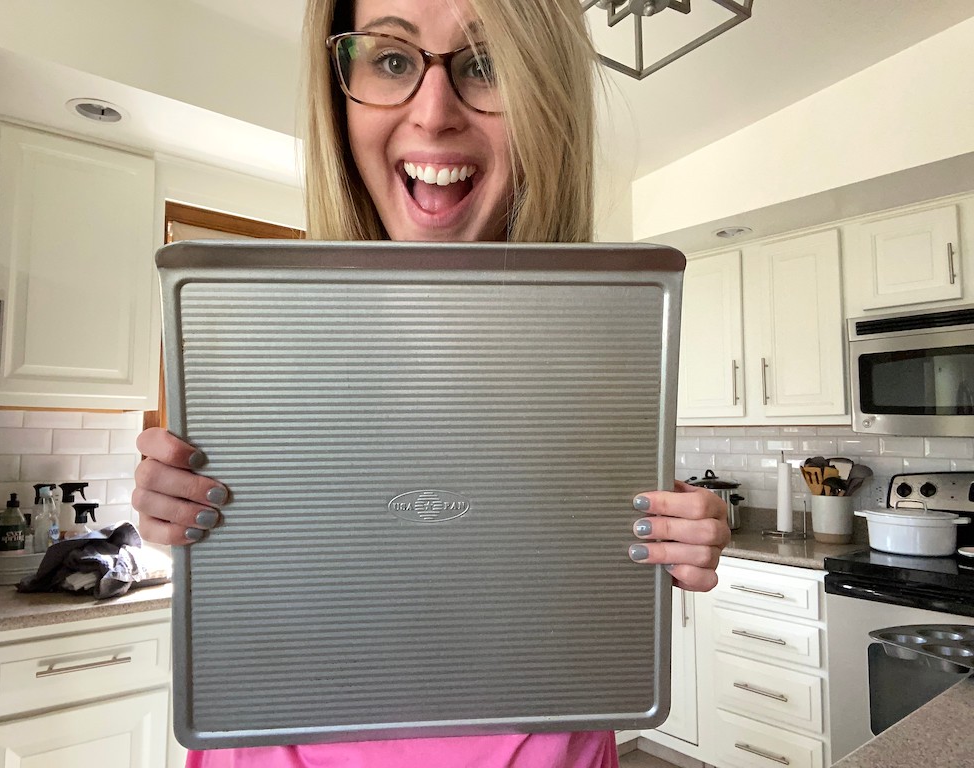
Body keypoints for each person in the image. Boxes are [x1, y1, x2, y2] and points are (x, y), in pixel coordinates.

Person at [134, 0, 731, 765]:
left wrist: (669, 534)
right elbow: (271, 578)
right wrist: (182, 508)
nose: (435, 112)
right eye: (391, 59)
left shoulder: (606, 357)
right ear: (338, 91)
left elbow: (575, 553)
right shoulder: (260, 352)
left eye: (485, 65)